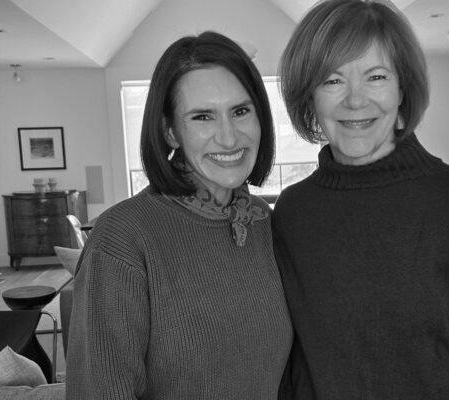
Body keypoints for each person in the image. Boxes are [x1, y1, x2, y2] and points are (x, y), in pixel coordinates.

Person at [273, 1, 449, 399]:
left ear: (402, 90)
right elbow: (291, 359)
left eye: (376, 76)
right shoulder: (293, 213)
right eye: (332, 80)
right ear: (309, 98)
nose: (355, 100)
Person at [66, 31, 292, 399]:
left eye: (240, 111)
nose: (229, 137)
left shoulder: (261, 219)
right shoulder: (121, 239)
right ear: (170, 132)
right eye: (202, 117)